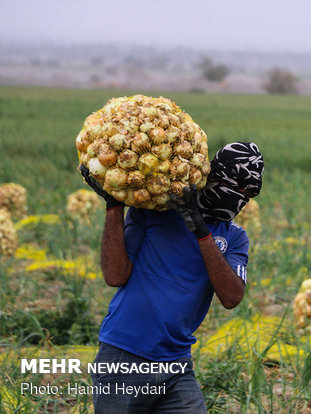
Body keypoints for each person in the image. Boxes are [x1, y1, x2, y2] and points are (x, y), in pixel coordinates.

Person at [80, 142, 264, 413]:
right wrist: (113, 207)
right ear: (215, 176)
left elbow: (232, 297)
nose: (242, 199)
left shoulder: (235, 237)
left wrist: (201, 231)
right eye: (238, 188)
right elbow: (115, 275)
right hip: (123, 353)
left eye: (249, 194)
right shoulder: (156, 210)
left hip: (177, 364)